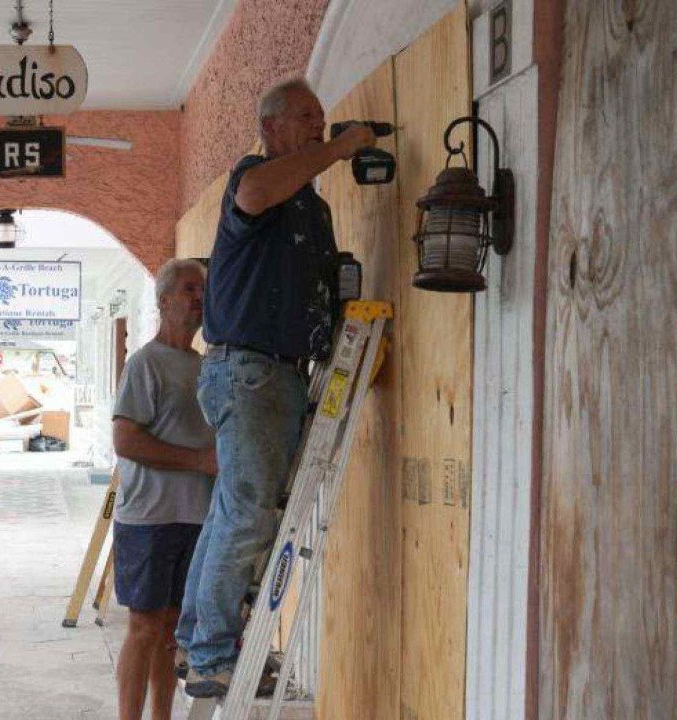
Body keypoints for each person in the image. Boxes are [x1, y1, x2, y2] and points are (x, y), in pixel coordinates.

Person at [175, 78, 376, 698]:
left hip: (279, 372)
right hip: (252, 371)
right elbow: (256, 192)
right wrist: (342, 150)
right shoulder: (255, 175)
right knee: (248, 515)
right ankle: (212, 655)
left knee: (232, 512)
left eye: (321, 117)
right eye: (305, 118)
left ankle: (195, 640)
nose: (319, 126)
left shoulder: (311, 205)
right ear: (271, 127)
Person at [111, 259, 216, 720]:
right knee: (144, 626)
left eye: (204, 291)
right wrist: (197, 461)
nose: (199, 298)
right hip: (148, 518)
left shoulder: (206, 366)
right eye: (190, 289)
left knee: (172, 629)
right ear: (164, 300)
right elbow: (125, 439)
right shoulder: (144, 364)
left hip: (197, 516)